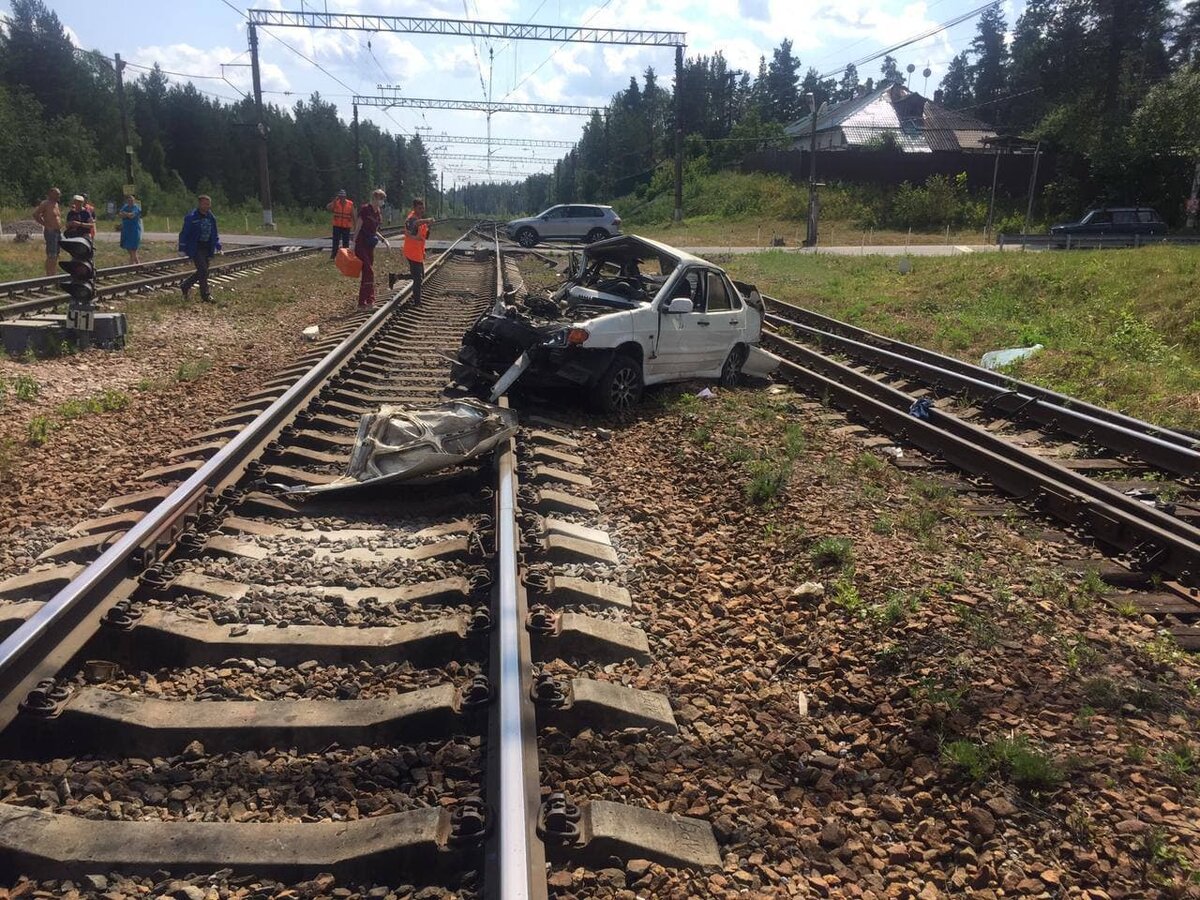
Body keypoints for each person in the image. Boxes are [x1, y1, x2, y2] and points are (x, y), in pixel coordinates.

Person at [178, 194, 221, 302]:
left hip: (207, 247)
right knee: (203, 270)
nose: (207, 206)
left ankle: (185, 285)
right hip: (196, 247)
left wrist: (217, 244)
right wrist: (182, 248)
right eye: (205, 204)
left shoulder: (211, 217)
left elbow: (214, 232)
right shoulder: (191, 217)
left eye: (208, 204)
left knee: (203, 271)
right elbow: (184, 233)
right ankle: (205, 295)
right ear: (200, 204)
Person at [353, 188, 391, 309]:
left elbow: (375, 231)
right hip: (361, 244)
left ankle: (363, 303)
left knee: (367, 273)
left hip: (370, 246)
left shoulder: (378, 213)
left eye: (383, 199)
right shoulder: (365, 210)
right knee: (369, 271)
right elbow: (358, 226)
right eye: (380, 199)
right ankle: (369, 301)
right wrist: (353, 243)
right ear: (374, 198)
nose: (382, 201)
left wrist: (384, 240)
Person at [403, 197, 435, 306]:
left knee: (420, 275)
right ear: (414, 208)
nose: (422, 210)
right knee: (418, 278)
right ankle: (417, 302)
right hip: (412, 253)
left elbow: (425, 236)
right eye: (420, 208)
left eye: (423, 208)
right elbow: (414, 224)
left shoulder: (421, 219)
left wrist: (429, 227)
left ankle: (396, 277)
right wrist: (426, 220)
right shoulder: (411, 219)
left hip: (418, 253)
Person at [32, 187, 62, 276]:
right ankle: (49, 275)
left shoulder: (56, 204)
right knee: (51, 254)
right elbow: (35, 214)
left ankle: (53, 273)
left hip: (58, 231)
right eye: (57, 194)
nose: (58, 195)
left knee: (56, 254)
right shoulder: (45, 203)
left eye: (59, 194)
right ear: (51, 194)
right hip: (51, 232)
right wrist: (45, 225)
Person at [326, 189, 356, 259]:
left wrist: (355, 225)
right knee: (335, 242)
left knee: (345, 243)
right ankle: (333, 255)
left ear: (345, 197)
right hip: (337, 225)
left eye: (343, 196)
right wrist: (334, 201)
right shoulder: (336, 203)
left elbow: (353, 215)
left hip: (346, 226)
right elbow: (328, 207)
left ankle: (345, 256)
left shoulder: (350, 203)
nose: (341, 198)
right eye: (340, 196)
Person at [119, 193, 143, 264]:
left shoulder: (137, 208)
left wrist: (125, 214)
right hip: (126, 230)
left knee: (133, 249)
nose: (130, 202)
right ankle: (138, 264)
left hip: (134, 230)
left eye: (132, 200)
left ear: (134, 201)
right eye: (129, 201)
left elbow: (132, 216)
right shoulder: (125, 206)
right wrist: (127, 214)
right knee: (129, 249)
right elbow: (120, 214)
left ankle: (130, 267)